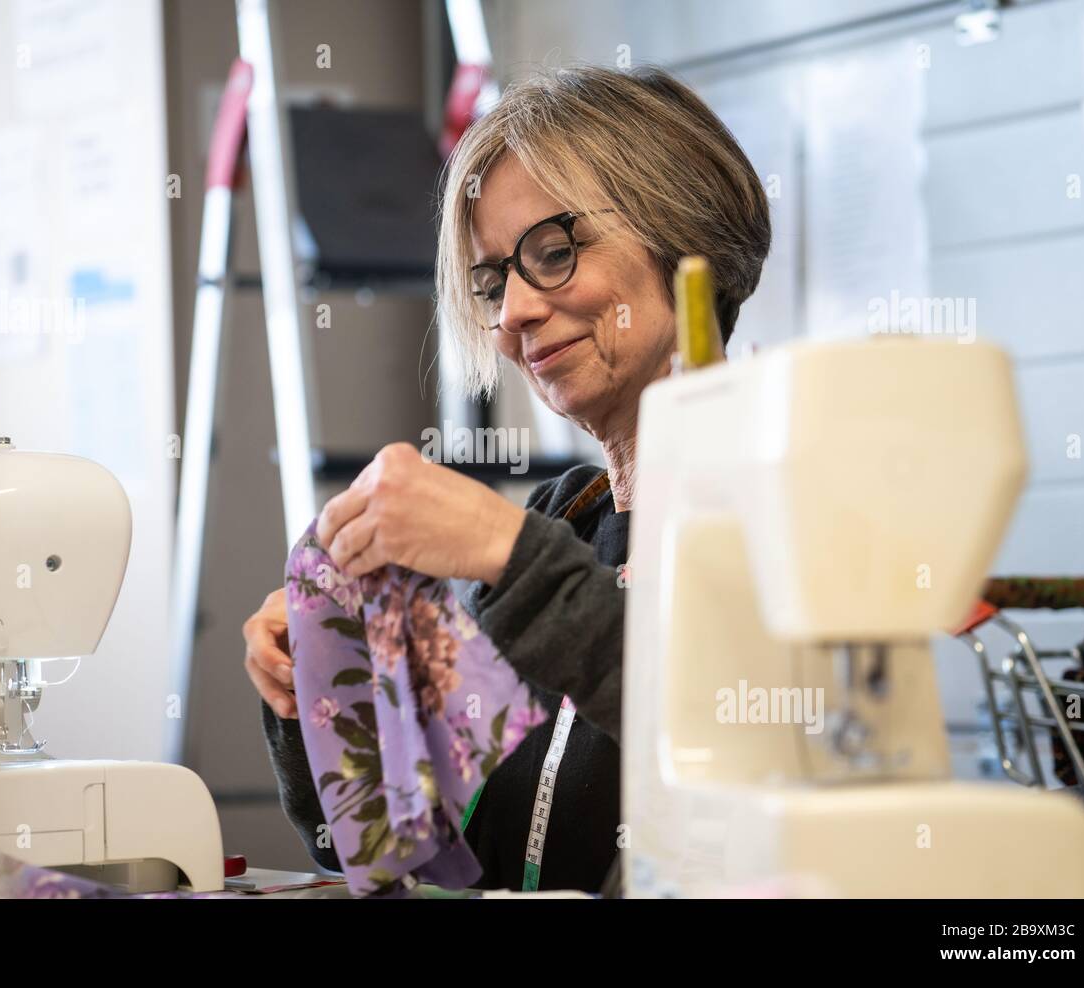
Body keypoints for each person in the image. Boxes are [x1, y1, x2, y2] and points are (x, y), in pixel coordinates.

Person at [243, 63, 771, 892]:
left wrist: (508, 551)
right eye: (494, 283)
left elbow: (736, 726)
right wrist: (317, 684)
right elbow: (399, 844)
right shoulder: (569, 522)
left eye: (555, 253)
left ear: (687, 237)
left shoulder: (787, 506)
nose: (513, 315)